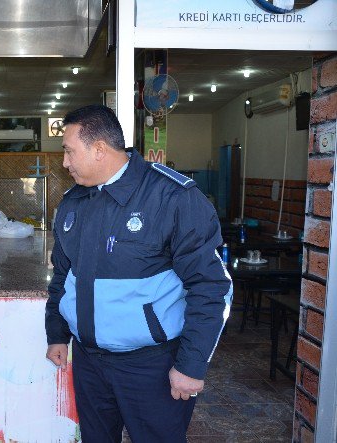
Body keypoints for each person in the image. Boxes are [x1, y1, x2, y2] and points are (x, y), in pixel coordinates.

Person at [45, 105, 232, 442]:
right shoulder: (73, 202)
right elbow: (62, 276)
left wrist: (191, 365)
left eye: (69, 152)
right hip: (89, 363)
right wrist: (57, 333)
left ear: (99, 149)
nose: (65, 163)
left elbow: (212, 286)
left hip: (151, 368)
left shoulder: (172, 197)